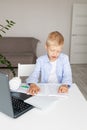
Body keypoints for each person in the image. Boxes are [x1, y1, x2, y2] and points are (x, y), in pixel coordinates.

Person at [26, 31, 72, 95]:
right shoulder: (40, 60)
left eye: (58, 51)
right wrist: (33, 84)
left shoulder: (64, 58)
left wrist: (65, 85)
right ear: (46, 47)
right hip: (45, 89)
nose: (55, 54)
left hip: (59, 89)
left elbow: (67, 75)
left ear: (61, 49)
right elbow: (34, 74)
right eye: (52, 50)